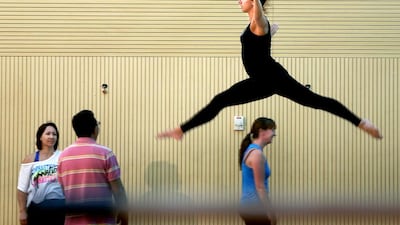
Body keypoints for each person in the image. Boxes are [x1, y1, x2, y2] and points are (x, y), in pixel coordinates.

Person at [157, 0, 382, 141]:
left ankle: (361, 123)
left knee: (317, 101)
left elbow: (260, 23)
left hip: (272, 77)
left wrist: (265, 26)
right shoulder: (256, 25)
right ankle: (182, 130)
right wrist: (270, 35)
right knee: (220, 100)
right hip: (260, 81)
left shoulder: (259, 21)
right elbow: (259, 43)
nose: (238, 1)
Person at [57, 110, 128, 225]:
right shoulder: (105, 153)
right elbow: (118, 190)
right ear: (94, 129)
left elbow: (61, 191)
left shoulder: (63, 156)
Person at [17, 122, 65, 225]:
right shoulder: (30, 159)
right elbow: (22, 189)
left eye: (54, 134)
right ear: (40, 137)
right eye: (48, 133)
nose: (51, 136)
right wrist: (22, 211)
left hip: (59, 209)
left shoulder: (63, 157)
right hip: (36, 210)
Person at [239, 117, 277, 225]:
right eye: (272, 130)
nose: (274, 134)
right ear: (261, 131)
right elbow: (260, 187)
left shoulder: (253, 150)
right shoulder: (256, 154)